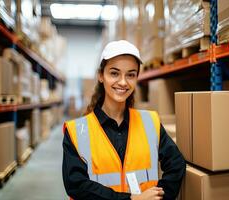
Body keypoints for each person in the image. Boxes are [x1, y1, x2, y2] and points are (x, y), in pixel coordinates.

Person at [62, 40, 186, 200]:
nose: (123, 82)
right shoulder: (76, 132)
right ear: (101, 75)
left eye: (130, 75)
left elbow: (176, 164)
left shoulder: (150, 123)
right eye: (114, 73)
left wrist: (160, 196)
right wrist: (131, 199)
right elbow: (76, 185)